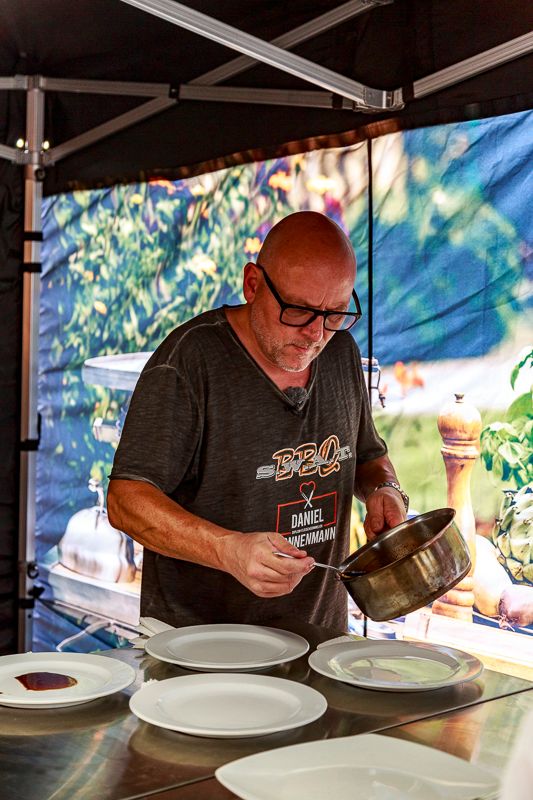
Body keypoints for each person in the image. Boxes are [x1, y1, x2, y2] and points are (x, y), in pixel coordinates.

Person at [107, 211, 407, 629]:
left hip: (319, 643)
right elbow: (126, 500)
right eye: (300, 311)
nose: (316, 334)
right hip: (203, 655)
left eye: (335, 313)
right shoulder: (189, 363)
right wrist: (227, 550)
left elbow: (367, 459)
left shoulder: (340, 353)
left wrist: (386, 490)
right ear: (253, 284)